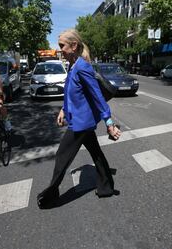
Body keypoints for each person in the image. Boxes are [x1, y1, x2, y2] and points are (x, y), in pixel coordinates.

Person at [37, 29, 122, 209]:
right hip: (80, 119)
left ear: (73, 46)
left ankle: (50, 195)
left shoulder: (83, 67)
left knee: (62, 156)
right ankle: (106, 187)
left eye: (62, 46)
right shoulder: (72, 65)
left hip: (81, 123)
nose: (60, 50)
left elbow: (97, 96)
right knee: (96, 154)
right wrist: (63, 109)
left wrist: (109, 123)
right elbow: (70, 91)